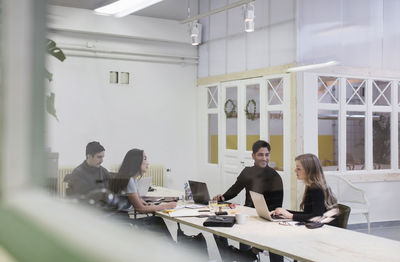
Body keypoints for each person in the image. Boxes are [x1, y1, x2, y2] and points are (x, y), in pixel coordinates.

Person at [213, 140, 283, 262]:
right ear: (253, 156)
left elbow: (277, 206)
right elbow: (235, 189)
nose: (264, 158)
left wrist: (269, 215)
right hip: (248, 215)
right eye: (260, 154)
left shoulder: (275, 176)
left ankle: (248, 255)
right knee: (216, 226)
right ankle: (238, 257)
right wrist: (223, 197)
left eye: (267, 155)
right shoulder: (247, 172)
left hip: (266, 219)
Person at [110, 149, 176, 238]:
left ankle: (170, 248)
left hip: (118, 220)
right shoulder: (129, 180)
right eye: (145, 159)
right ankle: (171, 248)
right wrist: (166, 206)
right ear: (136, 162)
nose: (148, 163)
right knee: (157, 221)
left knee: (157, 221)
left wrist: (145, 203)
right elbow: (140, 209)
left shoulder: (131, 179)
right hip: (121, 223)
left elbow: (140, 202)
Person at [271, 153, 337, 223]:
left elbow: (317, 217)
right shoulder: (311, 186)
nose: (295, 170)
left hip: (327, 230)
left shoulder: (317, 188)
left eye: (298, 169)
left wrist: (290, 215)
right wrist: (284, 212)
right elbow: (308, 214)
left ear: (309, 171)